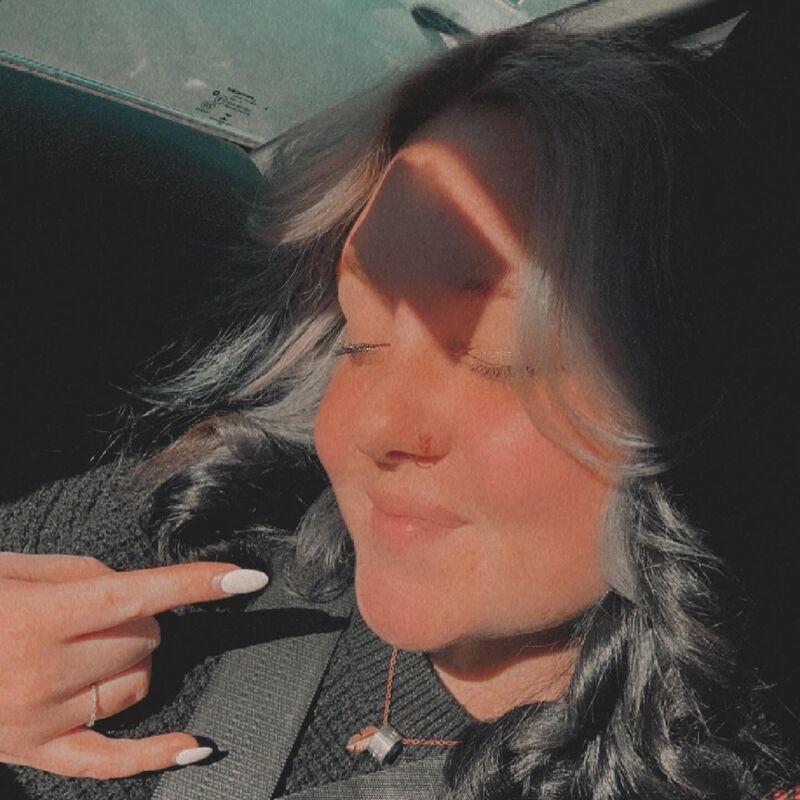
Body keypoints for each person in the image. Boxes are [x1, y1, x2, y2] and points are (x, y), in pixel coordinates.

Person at [1, 19, 798, 800]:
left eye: (498, 354)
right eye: (359, 338)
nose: (374, 424)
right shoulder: (180, 538)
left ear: (696, 392)